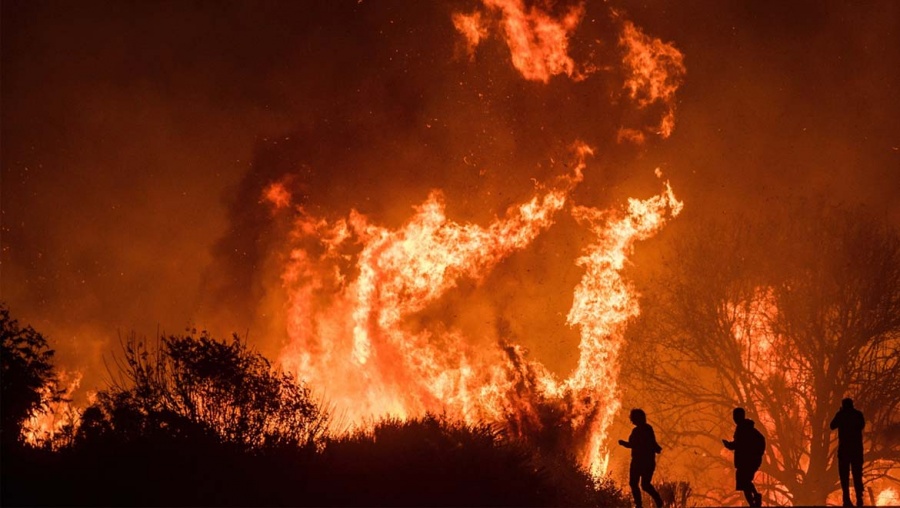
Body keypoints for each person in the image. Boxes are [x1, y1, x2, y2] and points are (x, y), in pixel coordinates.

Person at [619, 408, 664, 508]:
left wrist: (623, 443)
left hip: (640, 462)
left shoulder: (639, 430)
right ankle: (656, 502)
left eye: (633, 418)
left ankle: (641, 505)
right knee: (644, 485)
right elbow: (652, 443)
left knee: (636, 484)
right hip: (647, 462)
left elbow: (633, 444)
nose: (631, 420)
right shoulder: (648, 428)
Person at [723, 407, 765, 507]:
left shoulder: (744, 429)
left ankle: (755, 497)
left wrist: (729, 445)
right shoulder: (744, 428)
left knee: (745, 482)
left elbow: (739, 444)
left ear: (740, 416)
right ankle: (753, 501)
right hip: (745, 462)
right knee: (745, 483)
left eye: (735, 416)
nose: (734, 418)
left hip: (747, 462)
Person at [830, 398, 866, 507]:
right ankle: (859, 498)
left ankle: (846, 500)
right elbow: (862, 426)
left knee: (844, 476)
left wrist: (840, 413)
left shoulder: (841, 415)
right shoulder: (858, 414)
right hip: (856, 450)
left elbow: (832, 426)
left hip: (844, 450)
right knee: (857, 475)